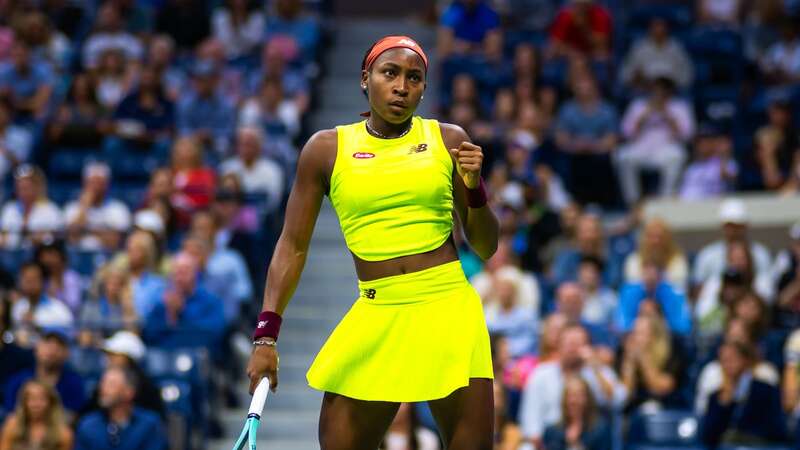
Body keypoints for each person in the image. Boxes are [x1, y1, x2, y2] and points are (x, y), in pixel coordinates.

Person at [245, 36, 499, 448]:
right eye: (390, 73)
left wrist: (475, 189)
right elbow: (291, 246)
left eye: (414, 78)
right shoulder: (325, 149)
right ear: (366, 79)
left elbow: (486, 247)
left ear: (423, 88)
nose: (402, 86)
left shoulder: (448, 139)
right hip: (378, 308)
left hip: (448, 307)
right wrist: (265, 336)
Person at [518, 324, 626, 448]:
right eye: (569, 343)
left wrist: (596, 367)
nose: (573, 349)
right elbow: (530, 421)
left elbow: (619, 399)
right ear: (558, 346)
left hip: (589, 440)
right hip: (550, 440)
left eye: (579, 344)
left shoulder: (595, 372)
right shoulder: (541, 374)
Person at [617, 76, 695, 205]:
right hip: (640, 148)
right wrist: (644, 116)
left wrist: (667, 115)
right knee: (623, 156)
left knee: (677, 156)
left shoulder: (680, 106)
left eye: (662, 90)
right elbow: (626, 134)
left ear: (669, 91)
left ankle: (666, 200)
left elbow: (687, 135)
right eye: (655, 90)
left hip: (666, 149)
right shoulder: (638, 105)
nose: (658, 94)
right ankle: (634, 203)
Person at [700, 340, 788, 448]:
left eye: (732, 359)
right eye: (723, 360)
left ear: (745, 360)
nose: (727, 364)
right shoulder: (716, 397)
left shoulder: (765, 391)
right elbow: (708, 437)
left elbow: (777, 430)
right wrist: (723, 404)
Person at [74, 366, 167, 450]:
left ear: (129, 392)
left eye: (111, 384)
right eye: (102, 383)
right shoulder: (88, 425)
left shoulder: (149, 425)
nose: (103, 389)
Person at [693, 199, 772, 287]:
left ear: (745, 226)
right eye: (730, 225)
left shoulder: (760, 254)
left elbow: (766, 289)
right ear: (722, 226)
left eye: (738, 225)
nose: (733, 230)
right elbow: (698, 288)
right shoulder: (708, 254)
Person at [3, 331, 85, 416]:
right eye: (47, 343)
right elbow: (10, 414)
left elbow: (72, 416)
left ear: (67, 353)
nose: (52, 350)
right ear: (36, 348)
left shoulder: (74, 383)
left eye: (59, 345)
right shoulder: (18, 380)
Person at [618, 314, 685, 412]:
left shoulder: (672, 352)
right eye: (633, 333)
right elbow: (623, 396)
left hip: (666, 407)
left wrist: (643, 359)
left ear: (654, 336)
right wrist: (629, 363)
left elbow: (661, 388)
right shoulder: (623, 353)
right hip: (633, 411)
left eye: (641, 333)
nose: (635, 338)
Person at [64, 162, 132, 251]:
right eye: (92, 182)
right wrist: (84, 207)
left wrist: (86, 231)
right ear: (84, 183)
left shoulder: (119, 209)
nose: (95, 187)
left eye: (99, 182)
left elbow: (114, 242)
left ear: (107, 184)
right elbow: (72, 237)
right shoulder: (72, 208)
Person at [619, 17, 693, 91]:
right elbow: (626, 74)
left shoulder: (676, 48)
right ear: (650, 29)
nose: (659, 30)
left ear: (667, 29)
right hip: (644, 90)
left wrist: (673, 83)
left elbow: (687, 75)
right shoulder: (639, 48)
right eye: (655, 26)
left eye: (661, 26)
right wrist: (636, 78)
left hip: (671, 91)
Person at [0, 165, 63, 249]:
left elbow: (56, 238)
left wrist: (41, 239)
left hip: (39, 255)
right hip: (11, 256)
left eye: (27, 187)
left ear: (37, 187)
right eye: (20, 187)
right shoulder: (9, 209)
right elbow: (4, 236)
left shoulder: (51, 210)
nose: (23, 191)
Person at [542, 376, 612, 450]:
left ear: (588, 399)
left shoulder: (600, 430)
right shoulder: (552, 432)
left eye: (579, 395)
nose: (574, 400)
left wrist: (576, 444)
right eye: (570, 395)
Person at [0, 380, 73, 450]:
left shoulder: (63, 433)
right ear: (24, 402)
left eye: (41, 399)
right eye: (31, 398)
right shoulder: (12, 425)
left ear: (51, 402)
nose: (36, 404)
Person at [623, 218, 689, 291]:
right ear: (644, 239)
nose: (656, 241)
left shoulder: (677, 260)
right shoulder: (634, 261)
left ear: (667, 239)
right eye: (651, 237)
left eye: (660, 237)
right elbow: (632, 291)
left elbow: (679, 290)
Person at [9, 263, 74, 335]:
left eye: (34, 279)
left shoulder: (59, 309)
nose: (30, 283)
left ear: (43, 281)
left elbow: (68, 333)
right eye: (26, 279)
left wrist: (37, 324)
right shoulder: (17, 307)